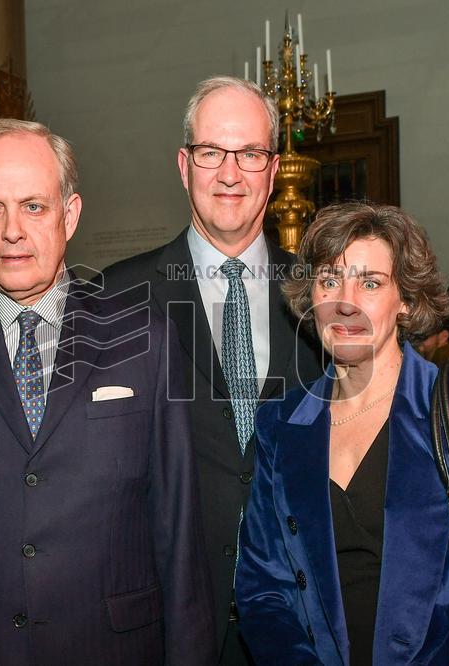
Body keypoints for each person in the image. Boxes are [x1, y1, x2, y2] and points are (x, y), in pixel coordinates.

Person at [0, 119, 215, 665]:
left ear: (69, 214)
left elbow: (179, 535)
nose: (11, 231)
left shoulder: (147, 341)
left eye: (33, 206)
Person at [235, 203, 449, 665]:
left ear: (407, 302)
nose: (344, 300)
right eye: (330, 279)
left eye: (370, 282)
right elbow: (262, 586)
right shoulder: (283, 420)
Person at [101, 76, 321, 664]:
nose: (231, 173)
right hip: (165, 619)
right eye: (211, 153)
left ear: (273, 170)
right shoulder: (118, 297)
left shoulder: (320, 296)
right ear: (184, 164)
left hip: (300, 621)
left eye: (250, 153)